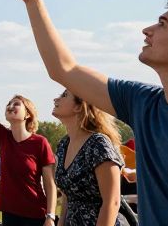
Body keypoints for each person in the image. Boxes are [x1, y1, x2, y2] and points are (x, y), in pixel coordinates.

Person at [3, 0, 168, 226]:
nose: (147, 30)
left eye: (162, 24)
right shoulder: (142, 101)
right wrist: (33, 1)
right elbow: (64, 70)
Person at [0, 51, 56, 226]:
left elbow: (50, 184)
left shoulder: (40, 143)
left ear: (27, 114)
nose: (10, 106)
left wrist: (50, 216)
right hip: (9, 215)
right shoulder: (4, 137)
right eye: (8, 104)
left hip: (36, 215)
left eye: (16, 104)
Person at [51, 88, 122, 226]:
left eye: (64, 95)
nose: (56, 99)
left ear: (78, 107)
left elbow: (112, 202)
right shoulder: (63, 144)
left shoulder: (98, 144)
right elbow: (67, 196)